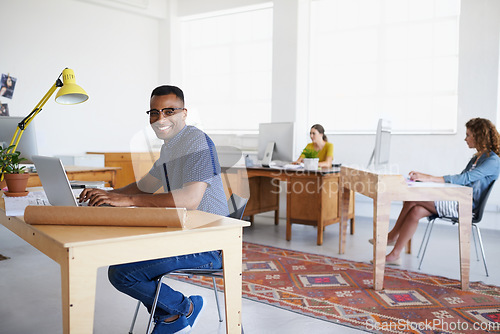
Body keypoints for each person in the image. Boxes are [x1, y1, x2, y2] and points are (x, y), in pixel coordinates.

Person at [79, 85, 229, 334]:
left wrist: (126, 201)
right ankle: (175, 314)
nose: (161, 119)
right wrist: (109, 194)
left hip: (210, 245)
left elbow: (190, 199)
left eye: (169, 111)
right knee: (122, 262)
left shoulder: (196, 142)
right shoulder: (170, 146)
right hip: (186, 234)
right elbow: (146, 186)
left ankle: (181, 309)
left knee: (123, 273)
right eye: (154, 112)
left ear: (184, 113)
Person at [373, 118, 500, 266]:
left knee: (412, 197)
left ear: (479, 136)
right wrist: (427, 179)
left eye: (468, 135)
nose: (465, 139)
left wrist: (427, 178)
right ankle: (395, 254)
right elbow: (460, 180)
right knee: (416, 211)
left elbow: (464, 178)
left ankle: (392, 235)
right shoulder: (478, 158)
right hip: (456, 199)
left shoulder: (492, 161)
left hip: (465, 206)